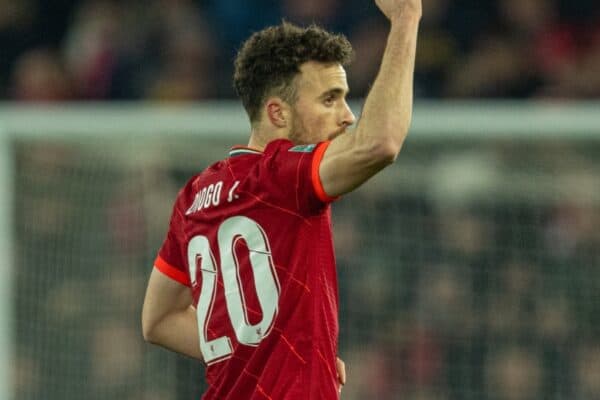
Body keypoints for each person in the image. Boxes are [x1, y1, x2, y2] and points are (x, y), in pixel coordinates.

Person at [141, 0, 422, 398]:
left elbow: (159, 319)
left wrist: (270, 354)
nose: (348, 116)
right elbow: (379, 144)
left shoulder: (196, 194)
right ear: (277, 113)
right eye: (330, 99)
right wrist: (407, 18)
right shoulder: (281, 177)